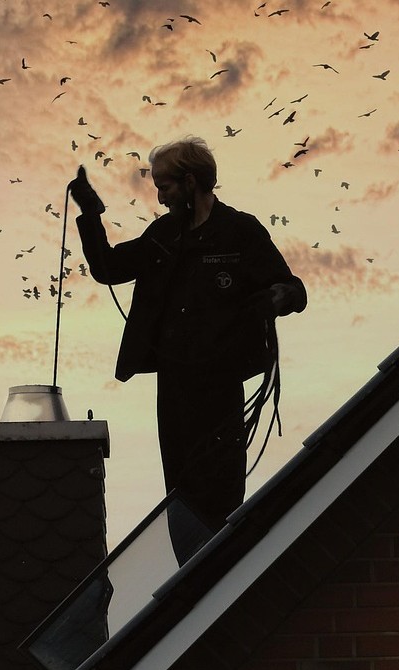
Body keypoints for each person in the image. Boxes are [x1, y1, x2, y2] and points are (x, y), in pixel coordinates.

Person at [70, 135, 307, 531]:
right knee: (180, 496)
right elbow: (108, 269)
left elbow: (293, 289)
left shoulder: (240, 232)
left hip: (219, 388)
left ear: (191, 182)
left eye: (165, 186)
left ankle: (219, 575)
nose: (160, 197)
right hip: (174, 388)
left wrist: (276, 299)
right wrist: (90, 215)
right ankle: (190, 584)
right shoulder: (163, 235)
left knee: (219, 495)